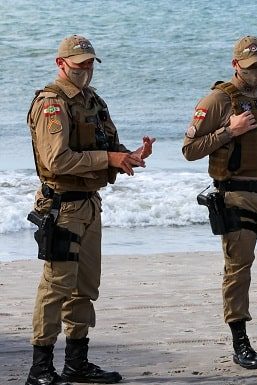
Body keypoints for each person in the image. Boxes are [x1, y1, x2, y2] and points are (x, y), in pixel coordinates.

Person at [25, 35, 155, 385]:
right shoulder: (52, 103)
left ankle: (76, 363)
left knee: (85, 288)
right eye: (79, 63)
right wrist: (109, 158)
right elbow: (57, 158)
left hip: (89, 205)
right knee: (56, 286)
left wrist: (129, 156)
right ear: (61, 63)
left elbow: (108, 147)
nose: (85, 70)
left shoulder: (93, 102)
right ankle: (40, 368)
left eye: (89, 64)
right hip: (61, 207)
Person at [182, 35, 257, 370]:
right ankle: (241, 342)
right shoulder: (219, 100)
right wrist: (229, 132)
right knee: (239, 271)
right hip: (236, 196)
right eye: (249, 67)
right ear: (235, 65)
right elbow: (189, 149)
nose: (256, 73)